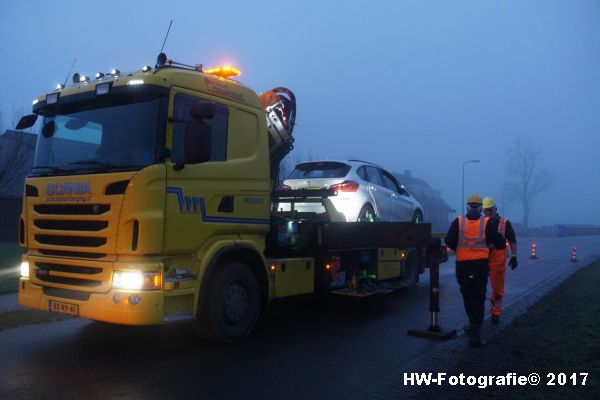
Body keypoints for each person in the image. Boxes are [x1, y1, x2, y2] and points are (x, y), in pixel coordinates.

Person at [445, 194, 506, 347]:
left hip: (463, 268)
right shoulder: (486, 223)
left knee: (467, 298)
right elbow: (500, 243)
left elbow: (449, 241)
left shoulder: (458, 222)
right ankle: (475, 334)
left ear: (467, 207)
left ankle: (472, 326)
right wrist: (490, 244)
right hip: (479, 267)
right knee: (478, 300)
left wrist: (459, 248)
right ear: (481, 209)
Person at [482, 196, 518, 324]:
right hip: (481, 261)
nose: (487, 213)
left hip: (497, 261)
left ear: (495, 209)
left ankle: (495, 313)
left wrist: (514, 256)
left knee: (497, 289)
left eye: (489, 210)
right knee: (478, 288)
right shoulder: (480, 223)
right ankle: (478, 315)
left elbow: (512, 240)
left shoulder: (504, 223)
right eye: (485, 211)